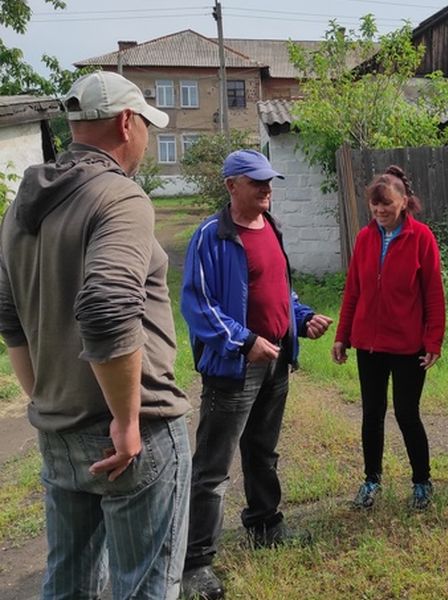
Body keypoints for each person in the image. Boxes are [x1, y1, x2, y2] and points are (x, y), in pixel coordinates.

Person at [0, 71, 191, 599]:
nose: (147, 140)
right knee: (145, 587)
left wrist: (44, 399)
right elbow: (107, 308)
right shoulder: (120, 198)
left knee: (69, 584)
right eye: (147, 127)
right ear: (127, 123)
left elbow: (8, 313)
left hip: (59, 430)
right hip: (133, 435)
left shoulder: (24, 204)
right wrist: (127, 421)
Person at [180, 149, 333, 599]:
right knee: (212, 468)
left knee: (263, 453)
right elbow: (198, 305)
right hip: (234, 368)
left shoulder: (271, 226)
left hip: (276, 362)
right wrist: (245, 342)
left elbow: (280, 288)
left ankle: (265, 525)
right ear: (232, 186)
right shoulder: (211, 236)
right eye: (258, 182)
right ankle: (195, 563)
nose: (268, 189)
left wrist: (301, 317)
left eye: (270, 181)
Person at [332, 165, 445, 511]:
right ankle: (371, 480)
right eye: (375, 205)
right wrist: (342, 335)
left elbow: (433, 295)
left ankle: (422, 482)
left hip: (408, 346)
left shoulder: (421, 237)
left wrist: (433, 342)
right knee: (372, 414)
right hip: (369, 345)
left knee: (407, 414)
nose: (381, 211)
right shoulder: (365, 238)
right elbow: (353, 290)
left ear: (405, 202)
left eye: (388, 204)